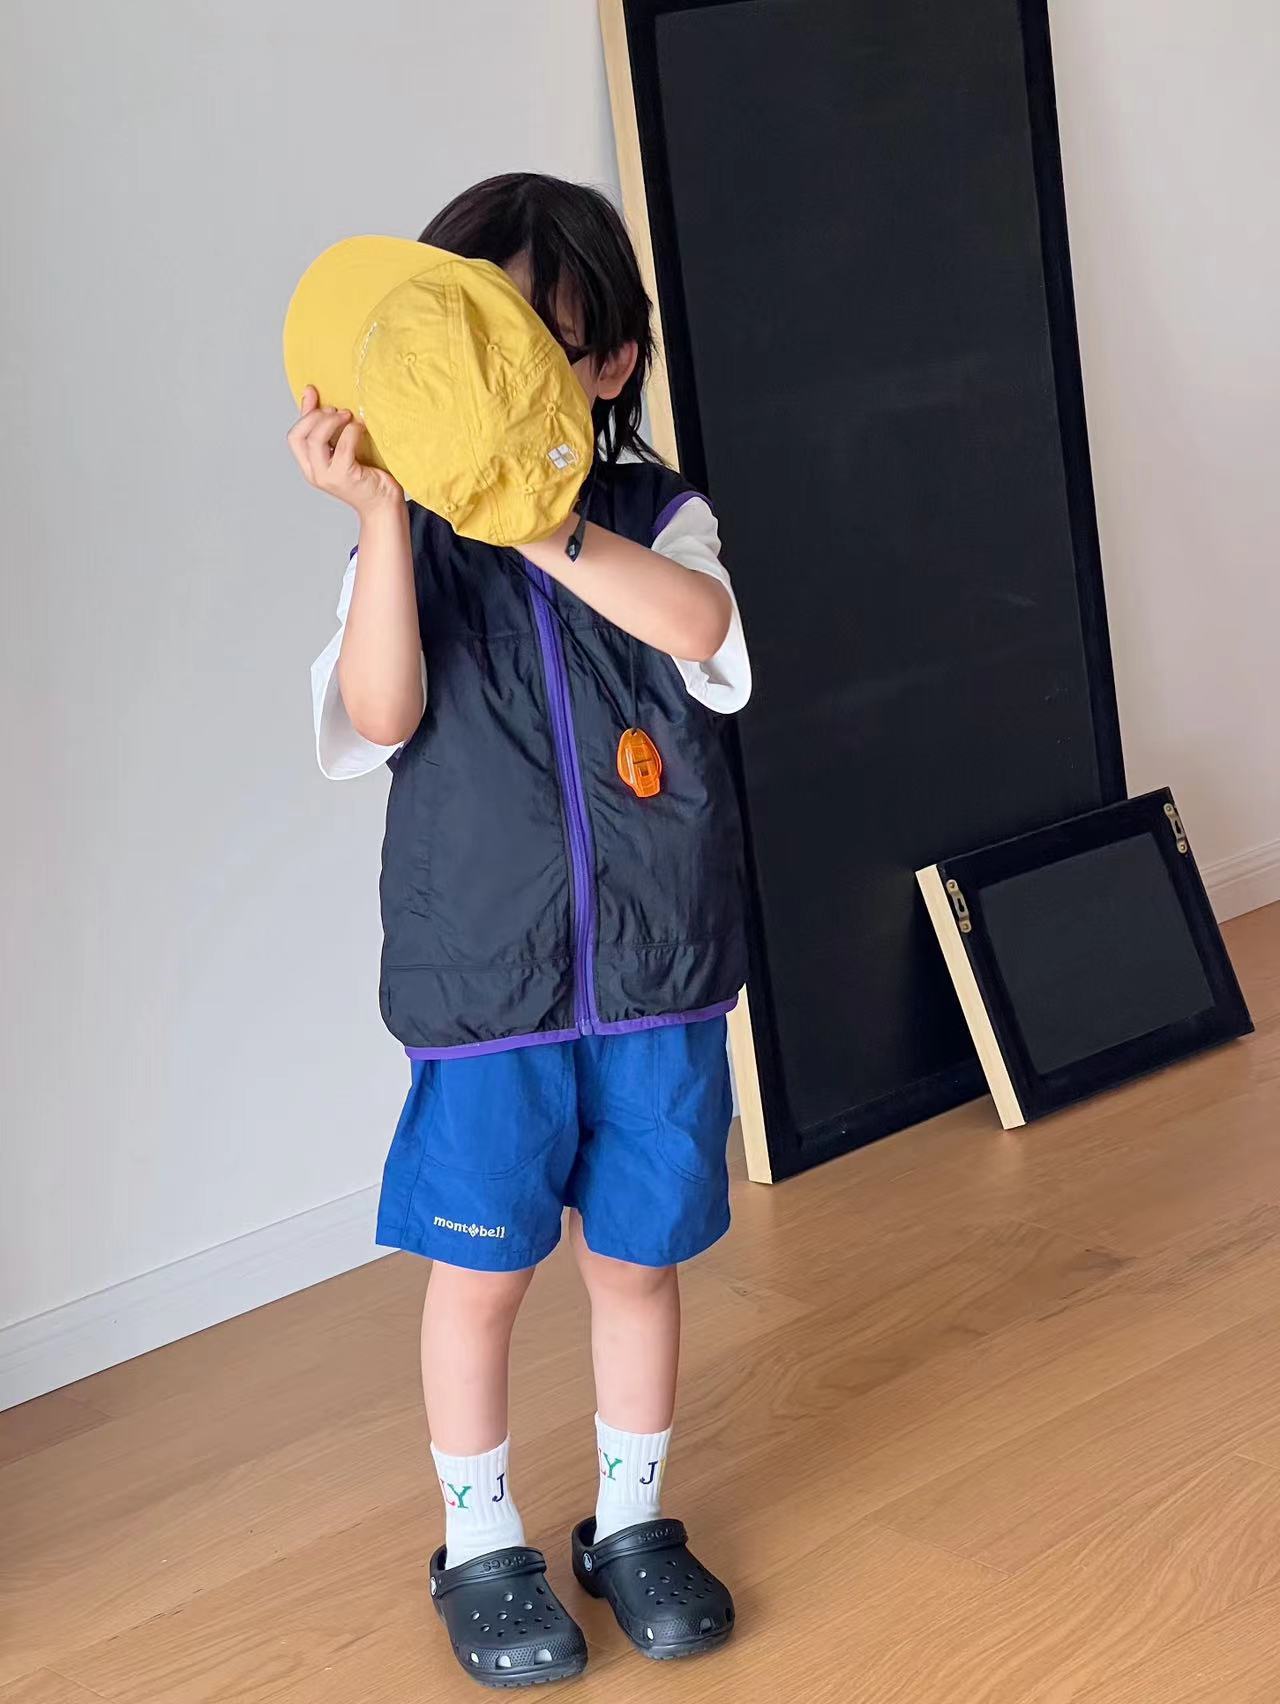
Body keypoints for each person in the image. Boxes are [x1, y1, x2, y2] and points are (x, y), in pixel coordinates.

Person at [287, 172, 751, 1687]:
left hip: (657, 977)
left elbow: (701, 633)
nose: (502, 374)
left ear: (611, 365)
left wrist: (540, 519)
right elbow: (378, 713)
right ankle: (480, 1542)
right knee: (481, 1275)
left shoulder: (655, 515)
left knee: (636, 1263)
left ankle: (633, 1522)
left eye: (541, 345)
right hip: (488, 988)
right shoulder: (410, 540)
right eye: (472, 334)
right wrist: (386, 515)